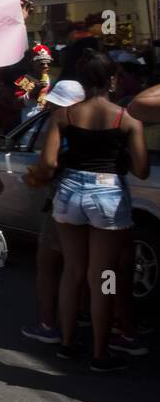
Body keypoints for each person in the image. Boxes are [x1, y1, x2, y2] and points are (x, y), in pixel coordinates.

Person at [27, 51, 147, 372]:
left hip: (69, 193)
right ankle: (100, 352)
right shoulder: (126, 119)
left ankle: (66, 343)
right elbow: (142, 169)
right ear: (112, 80)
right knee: (104, 275)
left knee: (73, 271)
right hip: (109, 193)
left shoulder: (63, 117)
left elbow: (49, 162)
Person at [21, 80, 86, 346]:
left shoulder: (61, 122)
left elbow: (48, 164)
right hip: (111, 203)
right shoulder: (117, 119)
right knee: (105, 271)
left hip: (68, 199)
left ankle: (51, 325)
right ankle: (112, 323)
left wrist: (38, 176)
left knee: (53, 265)